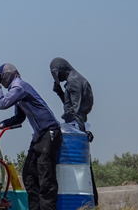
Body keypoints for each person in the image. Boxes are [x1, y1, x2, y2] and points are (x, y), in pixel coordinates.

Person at [0, 63, 61, 210]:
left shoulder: (19, 87)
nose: (1, 81)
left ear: (7, 76)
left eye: (1, 78)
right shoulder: (17, 92)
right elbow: (18, 118)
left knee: (45, 175)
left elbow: (2, 104)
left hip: (49, 133)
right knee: (29, 175)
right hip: (40, 136)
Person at [50, 57, 96, 206]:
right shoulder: (74, 80)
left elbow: (74, 111)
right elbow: (70, 106)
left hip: (77, 126)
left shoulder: (74, 82)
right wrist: (60, 93)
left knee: (81, 170)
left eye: (58, 76)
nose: (59, 79)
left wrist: (80, 132)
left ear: (62, 69)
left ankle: (92, 201)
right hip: (77, 123)